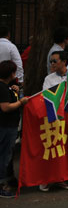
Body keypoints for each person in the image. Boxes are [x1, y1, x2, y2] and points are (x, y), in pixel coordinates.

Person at [40, 51, 68, 192]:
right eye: (51, 61)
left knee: (66, 149)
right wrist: (60, 100)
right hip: (53, 120)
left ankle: (62, 178)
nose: (51, 64)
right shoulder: (49, 79)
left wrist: (67, 100)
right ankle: (48, 179)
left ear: (64, 62)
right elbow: (46, 98)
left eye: (54, 61)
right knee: (52, 149)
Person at [0, 61, 28, 198]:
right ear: (10, 73)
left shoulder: (7, 87)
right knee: (4, 155)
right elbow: (5, 107)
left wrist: (14, 91)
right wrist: (20, 103)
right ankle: (1, 185)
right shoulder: (2, 88)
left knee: (6, 155)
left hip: (8, 126)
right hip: (5, 126)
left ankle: (6, 179)